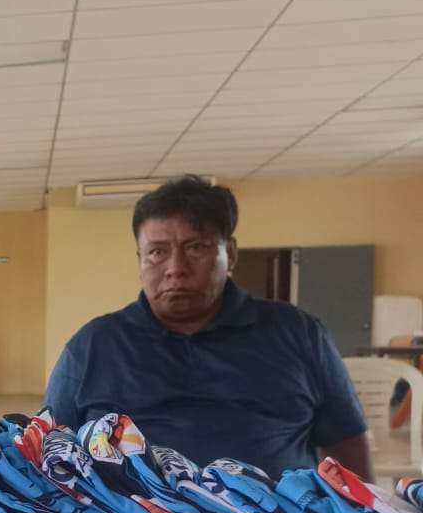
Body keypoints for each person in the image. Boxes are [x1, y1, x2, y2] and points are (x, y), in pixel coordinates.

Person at [42, 176, 372, 480]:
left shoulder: (298, 333)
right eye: (157, 252)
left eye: (196, 247)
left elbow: (346, 445)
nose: (176, 269)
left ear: (231, 253)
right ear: (140, 258)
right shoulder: (93, 347)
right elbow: (49, 452)